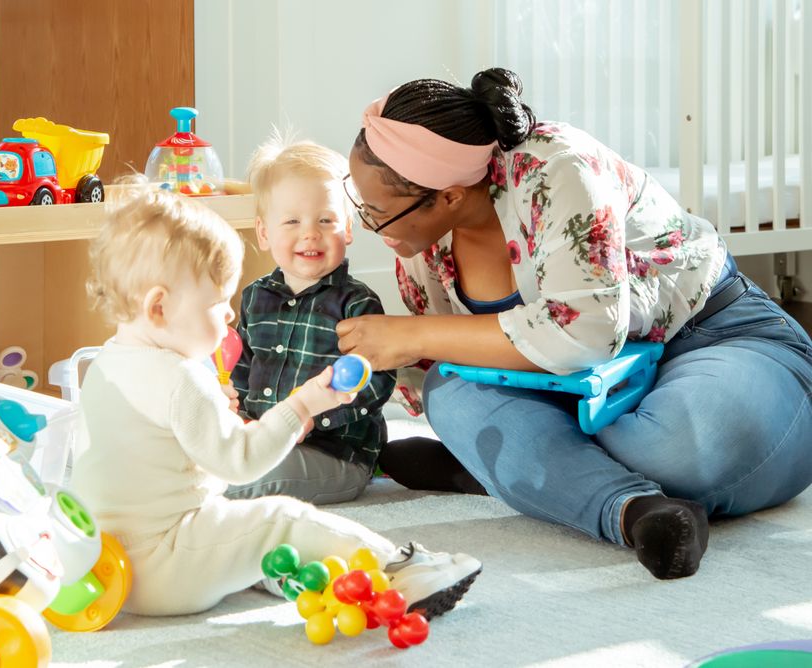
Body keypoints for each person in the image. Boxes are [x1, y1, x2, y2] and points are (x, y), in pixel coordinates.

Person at [337, 67, 812, 580]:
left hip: (711, 336)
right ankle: (631, 511)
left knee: (669, 448)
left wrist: (410, 335)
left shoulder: (559, 168)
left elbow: (586, 332)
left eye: (376, 213)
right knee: (449, 395)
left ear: (447, 195)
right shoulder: (419, 240)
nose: (369, 222)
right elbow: (440, 358)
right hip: (583, 385)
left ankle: (529, 471)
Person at [72, 186, 481, 616]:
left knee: (236, 523)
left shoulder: (105, 363)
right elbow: (240, 463)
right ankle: (401, 570)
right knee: (281, 519)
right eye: (216, 303)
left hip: (110, 570)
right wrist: (302, 405)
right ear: (159, 307)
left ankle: (281, 571)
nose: (230, 315)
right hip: (164, 566)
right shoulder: (179, 377)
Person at [225, 135, 396, 504]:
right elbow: (242, 366)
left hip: (333, 453)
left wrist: (312, 417)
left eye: (325, 220)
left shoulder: (357, 303)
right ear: (264, 233)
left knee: (259, 478)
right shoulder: (256, 297)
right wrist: (235, 411)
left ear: (347, 229)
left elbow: (376, 382)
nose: (309, 233)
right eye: (291, 221)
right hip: (262, 440)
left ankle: (205, 493)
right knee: (199, 454)